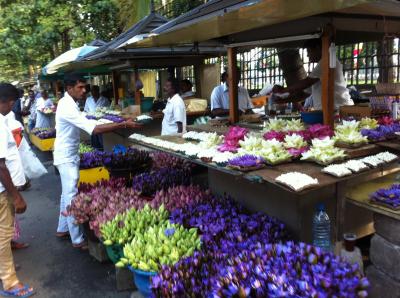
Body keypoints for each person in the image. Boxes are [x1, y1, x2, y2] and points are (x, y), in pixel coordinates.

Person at [53, 74, 142, 249]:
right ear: (69, 88)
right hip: (66, 156)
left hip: (68, 154)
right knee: (71, 194)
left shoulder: (70, 103)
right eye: (80, 87)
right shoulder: (67, 106)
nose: (84, 90)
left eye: (84, 87)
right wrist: (123, 124)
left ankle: (62, 228)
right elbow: (93, 130)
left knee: (66, 194)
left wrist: (120, 120)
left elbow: (87, 121)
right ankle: (77, 239)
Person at [0, 83, 34, 297]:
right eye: (12, 102)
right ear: (8, 101)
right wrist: (16, 195)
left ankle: (5, 269)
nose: (12, 107)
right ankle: (9, 281)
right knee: (4, 235)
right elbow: (0, 165)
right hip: (2, 192)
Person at [272, 38, 354, 110]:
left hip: (336, 108)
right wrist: (283, 100)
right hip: (330, 109)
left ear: (317, 48)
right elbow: (304, 94)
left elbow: (306, 82)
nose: (308, 55)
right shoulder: (321, 66)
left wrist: (284, 90)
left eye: (309, 51)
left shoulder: (327, 61)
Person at [84, 86, 110, 150]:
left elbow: (108, 111)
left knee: (102, 139)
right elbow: (85, 111)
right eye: (92, 91)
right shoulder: (88, 100)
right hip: (92, 123)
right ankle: (96, 151)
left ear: (98, 91)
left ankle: (103, 150)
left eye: (95, 91)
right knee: (94, 139)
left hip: (102, 123)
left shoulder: (104, 100)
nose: (93, 92)